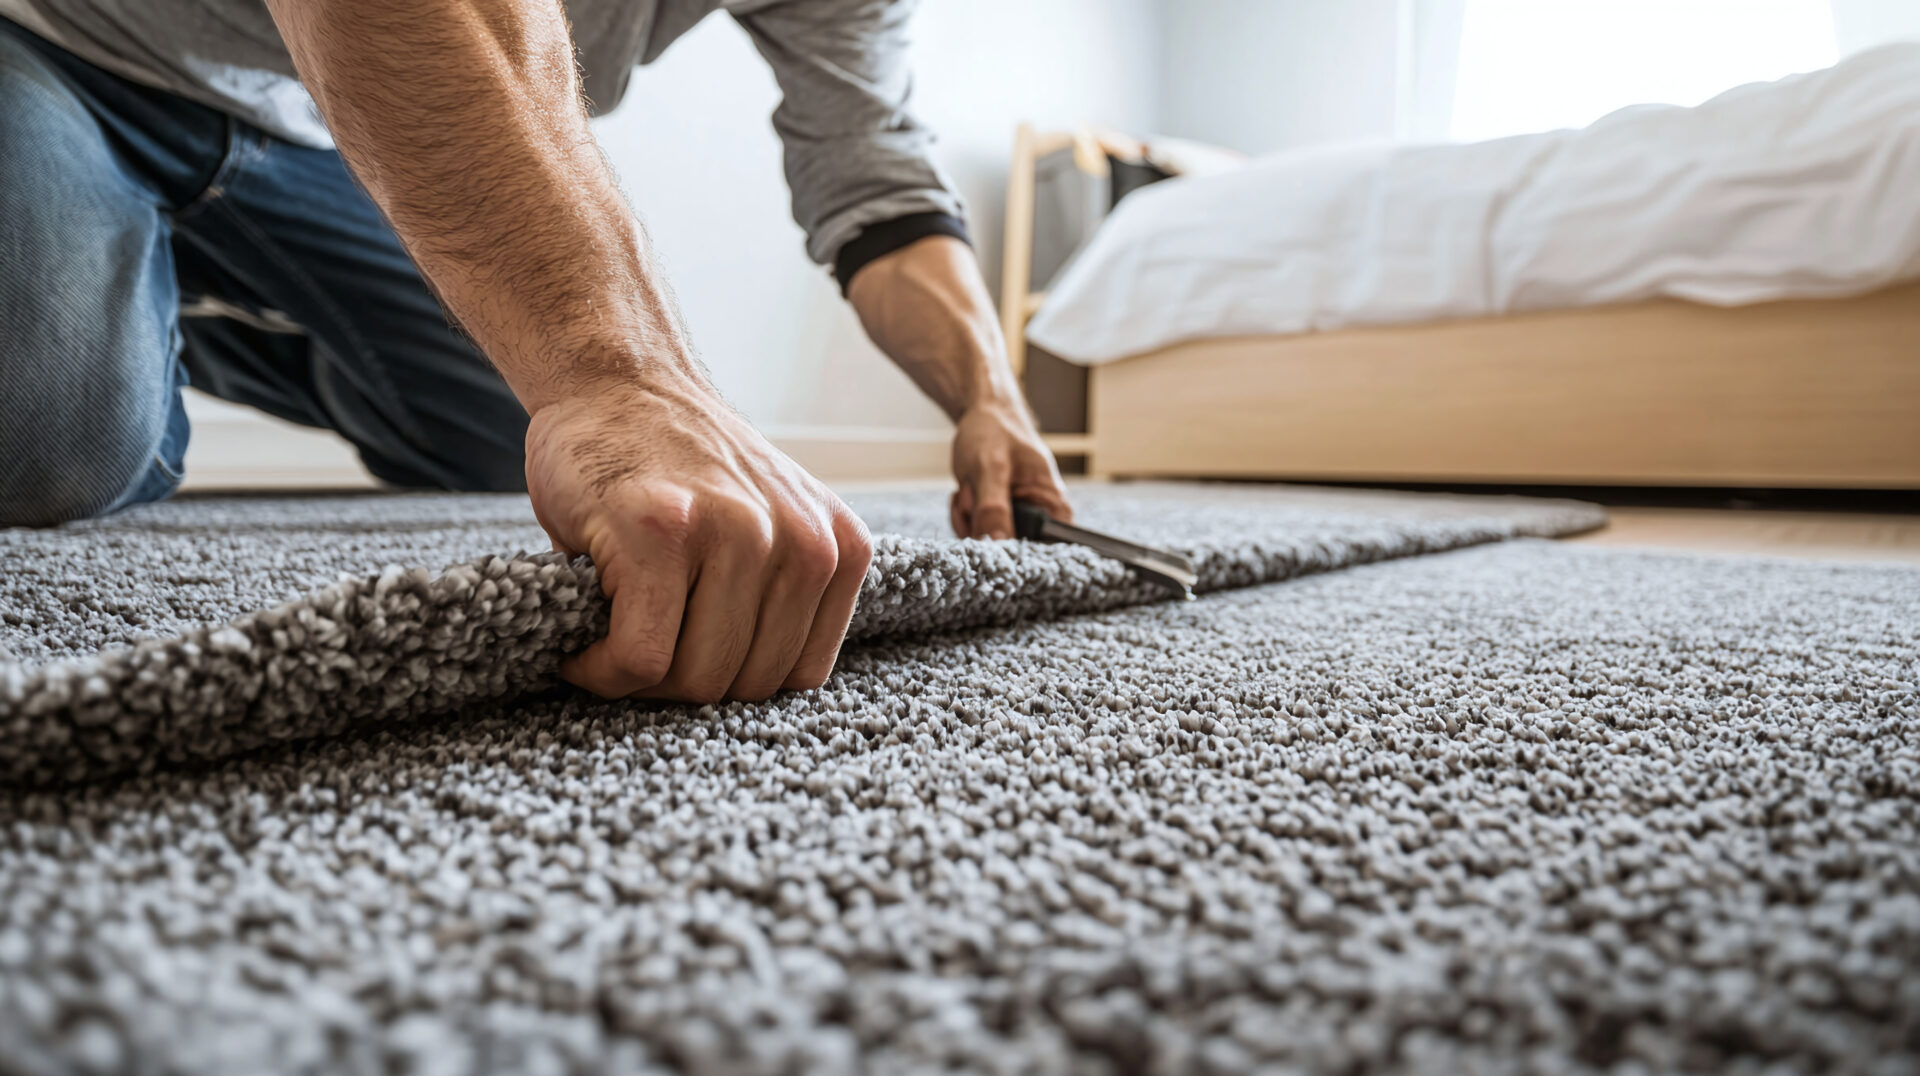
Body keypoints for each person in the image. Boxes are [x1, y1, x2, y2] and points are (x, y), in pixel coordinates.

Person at [0, 0, 1074, 703]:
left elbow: (880, 185)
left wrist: (989, 395)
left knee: (517, 444)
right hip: (57, 44)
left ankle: (154, 303)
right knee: (51, 435)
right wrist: (627, 375)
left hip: (311, 121)